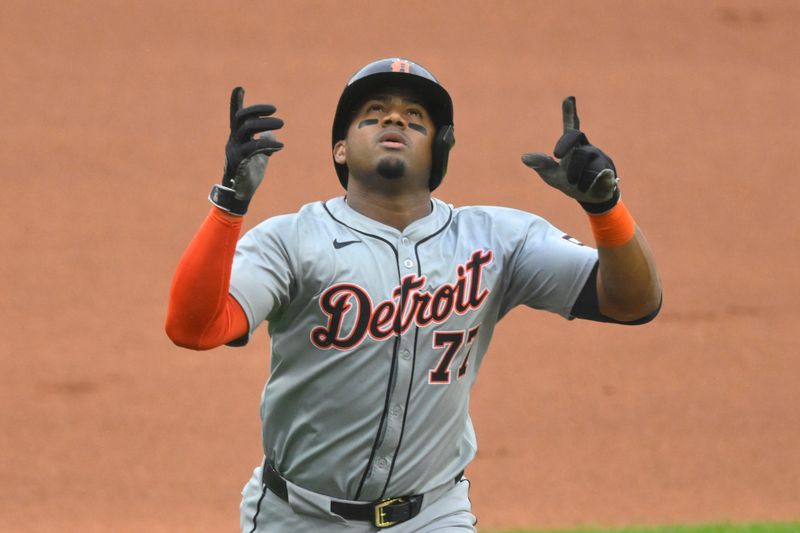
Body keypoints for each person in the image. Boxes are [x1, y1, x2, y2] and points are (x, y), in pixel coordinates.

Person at [165, 57, 662, 532]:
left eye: (415, 117)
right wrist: (230, 204)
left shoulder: (497, 239)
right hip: (299, 517)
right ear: (340, 149)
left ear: (439, 148)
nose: (394, 120)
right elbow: (195, 327)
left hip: (433, 515)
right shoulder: (292, 240)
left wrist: (606, 208)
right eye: (373, 114)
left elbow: (633, 302)